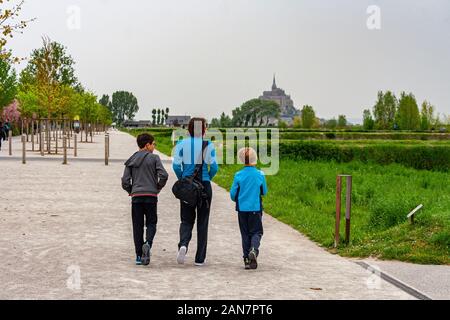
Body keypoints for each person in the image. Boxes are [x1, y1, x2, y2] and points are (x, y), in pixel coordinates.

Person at [173, 118, 218, 266]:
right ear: (204, 130)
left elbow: (175, 166)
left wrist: (183, 179)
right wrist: (207, 179)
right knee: (202, 222)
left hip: (187, 187)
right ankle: (200, 259)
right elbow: (215, 168)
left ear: (189, 130)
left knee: (186, 219)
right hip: (204, 186)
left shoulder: (182, 143)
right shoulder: (208, 145)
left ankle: (184, 245)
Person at [121, 133, 169, 266]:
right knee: (151, 222)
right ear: (147, 145)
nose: (154, 147)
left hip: (136, 197)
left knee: (137, 226)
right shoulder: (154, 158)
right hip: (151, 196)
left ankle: (138, 255)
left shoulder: (131, 159)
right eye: (153, 144)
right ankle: (148, 243)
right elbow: (164, 175)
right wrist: (157, 188)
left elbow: (125, 181)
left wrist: (131, 190)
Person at [230, 147, 268, 270]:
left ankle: (246, 259)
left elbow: (232, 194)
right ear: (255, 159)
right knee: (257, 231)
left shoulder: (238, 175)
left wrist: (239, 199)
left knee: (245, 233)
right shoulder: (260, 174)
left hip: (242, 209)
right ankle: (254, 249)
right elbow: (264, 191)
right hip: (255, 208)